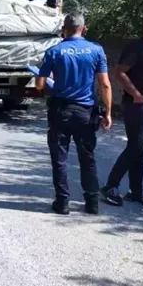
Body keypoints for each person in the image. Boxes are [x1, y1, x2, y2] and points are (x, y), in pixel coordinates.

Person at [36, 13, 113, 215]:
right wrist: (108, 112)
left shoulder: (54, 51)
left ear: (64, 29)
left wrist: (49, 82)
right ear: (84, 28)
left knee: (59, 158)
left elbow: (39, 84)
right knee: (87, 158)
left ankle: (62, 203)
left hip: (60, 111)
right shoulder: (97, 51)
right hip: (86, 112)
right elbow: (105, 84)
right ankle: (92, 203)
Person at [101, 13, 143, 207]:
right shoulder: (136, 47)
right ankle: (110, 187)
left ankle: (136, 192)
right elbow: (119, 72)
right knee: (135, 147)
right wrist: (136, 94)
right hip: (137, 106)